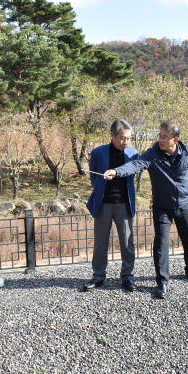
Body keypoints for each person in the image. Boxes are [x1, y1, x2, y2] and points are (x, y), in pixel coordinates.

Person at [104, 121, 188, 299]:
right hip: (162, 207)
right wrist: (116, 171)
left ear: (175, 139)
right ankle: (162, 281)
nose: (160, 139)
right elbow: (135, 165)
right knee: (161, 244)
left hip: (184, 204)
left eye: (165, 137)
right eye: (160, 136)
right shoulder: (152, 155)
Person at [85, 119, 138, 292]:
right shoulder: (98, 152)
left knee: (127, 243)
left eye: (128, 138)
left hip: (124, 203)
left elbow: (132, 173)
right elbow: (94, 179)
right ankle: (98, 276)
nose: (126, 142)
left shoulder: (133, 153)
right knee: (100, 243)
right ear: (112, 135)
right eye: (122, 138)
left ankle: (127, 277)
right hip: (103, 204)